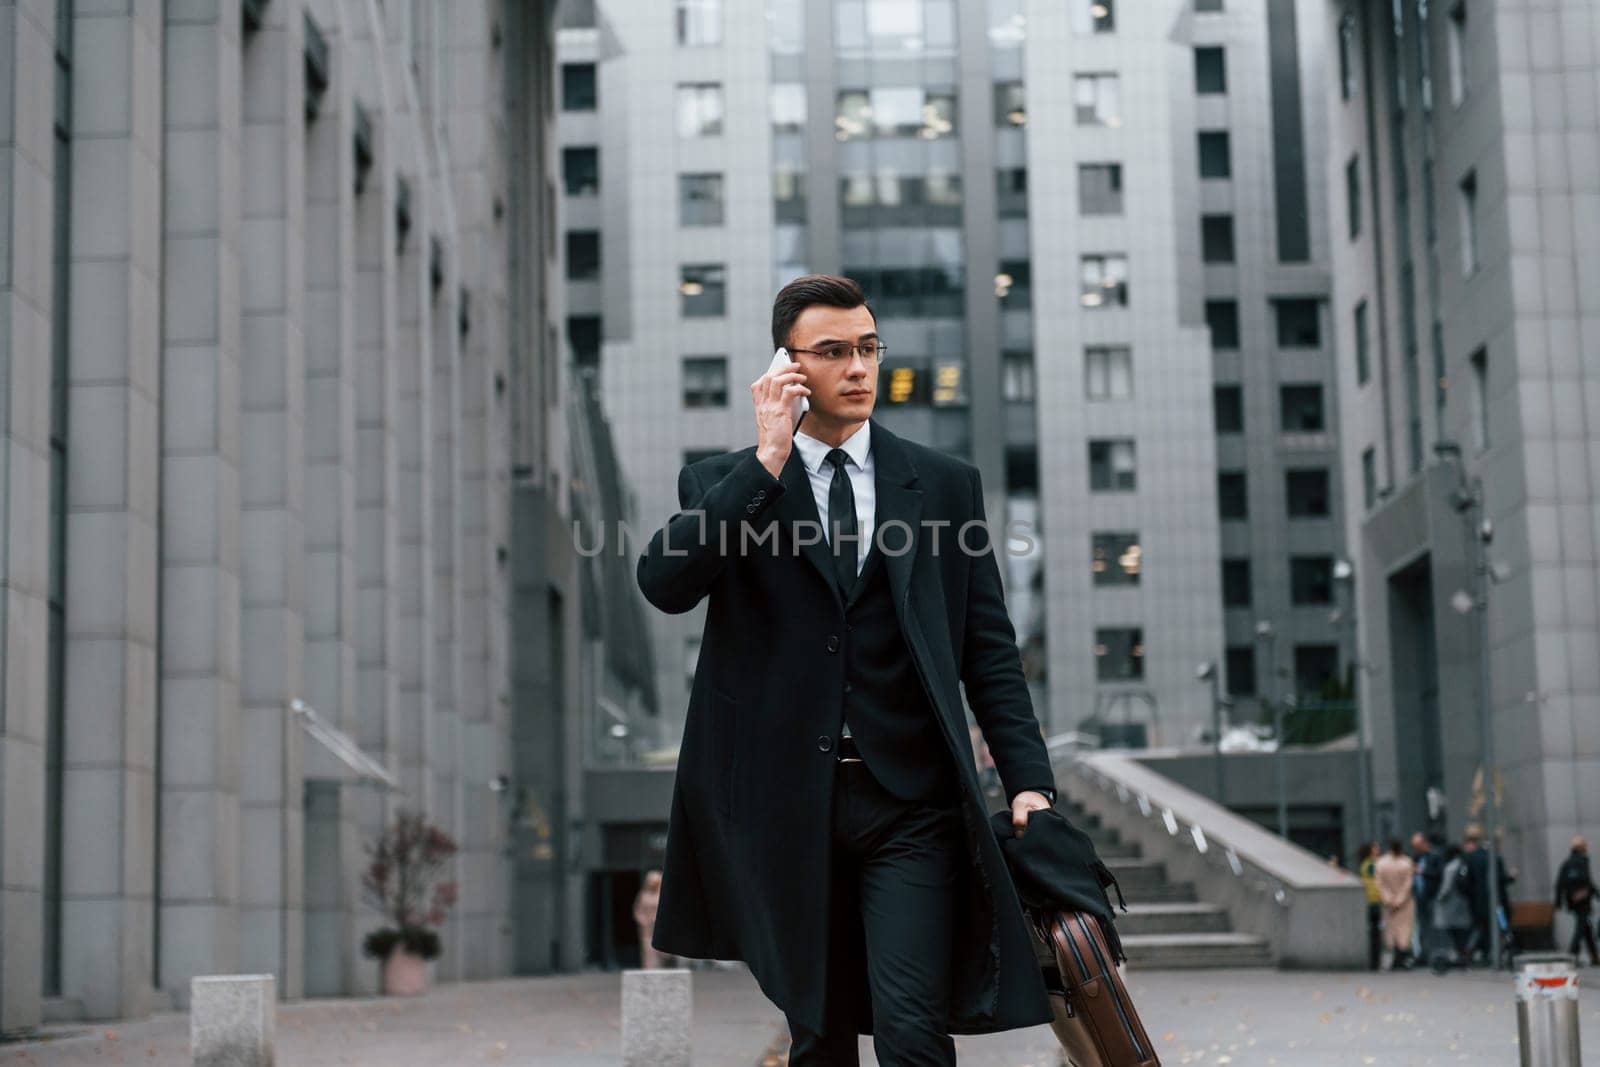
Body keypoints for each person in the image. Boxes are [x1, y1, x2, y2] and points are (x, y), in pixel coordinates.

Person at [636, 274, 1059, 1065]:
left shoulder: (941, 485)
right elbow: (664, 583)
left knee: (910, 1027)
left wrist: (1031, 778)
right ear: (787, 369)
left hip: (911, 803)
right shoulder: (727, 486)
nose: (859, 368)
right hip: (785, 808)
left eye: (868, 347)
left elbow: (987, 648)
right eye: (834, 352)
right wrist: (765, 462)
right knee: (819, 1037)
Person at [1553, 836, 1600, 965]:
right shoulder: (1582, 861)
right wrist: (1597, 894)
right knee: (1581, 928)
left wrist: (1558, 902)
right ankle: (1572, 955)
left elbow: (1559, 883)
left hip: (1572, 900)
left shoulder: (1567, 863)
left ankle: (1594, 957)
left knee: (1585, 927)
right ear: (1582, 848)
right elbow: (1587, 881)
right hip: (1583, 900)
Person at [1431, 843, 1475, 972]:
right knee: (1461, 933)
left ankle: (1458, 957)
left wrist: (1439, 898)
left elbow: (1446, 887)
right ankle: (1463, 957)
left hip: (1451, 904)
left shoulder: (1450, 867)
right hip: (1462, 903)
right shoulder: (1463, 864)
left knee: (1452, 932)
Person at [1374, 839, 1417, 970]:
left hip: (1388, 904)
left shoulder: (1381, 863)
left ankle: (1395, 958)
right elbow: (1408, 884)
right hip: (1405, 903)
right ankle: (1402, 958)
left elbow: (1379, 883)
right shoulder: (1407, 862)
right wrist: (1399, 900)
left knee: (1390, 930)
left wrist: (1388, 899)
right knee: (1404, 930)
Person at [1411, 832, 1444, 960]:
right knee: (1422, 925)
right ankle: (1423, 952)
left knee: (1432, 924)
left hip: (1431, 895)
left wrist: (1423, 871)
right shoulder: (1417, 857)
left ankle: (1433, 953)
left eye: (1417, 845)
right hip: (1419, 895)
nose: (1415, 848)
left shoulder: (1435, 855)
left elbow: (1439, 873)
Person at [632, 870, 671, 970]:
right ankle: (649, 969)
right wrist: (643, 921)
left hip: (660, 927)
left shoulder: (662, 895)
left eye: (655, 882)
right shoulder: (643, 896)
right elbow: (638, 911)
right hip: (647, 928)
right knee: (648, 950)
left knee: (662, 951)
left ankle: (664, 968)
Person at [1358, 841, 1383, 971]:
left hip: (1371, 899)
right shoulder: (1371, 864)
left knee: (1374, 931)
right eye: (1375, 847)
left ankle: (1375, 962)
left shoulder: (1366, 864)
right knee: (1375, 932)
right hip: (1374, 900)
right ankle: (1375, 962)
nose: (1378, 849)